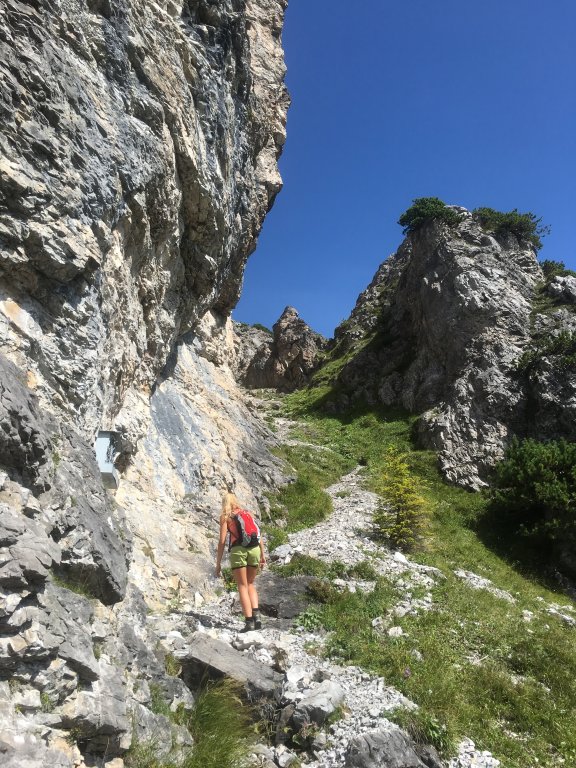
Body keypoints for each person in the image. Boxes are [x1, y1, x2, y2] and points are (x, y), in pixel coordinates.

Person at [215, 492, 266, 632]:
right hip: (254, 549)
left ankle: (249, 622)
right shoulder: (246, 513)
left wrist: (218, 563)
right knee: (250, 584)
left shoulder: (226, 517)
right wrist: (262, 554)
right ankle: (258, 618)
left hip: (239, 550)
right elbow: (258, 533)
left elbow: (222, 541)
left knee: (242, 586)